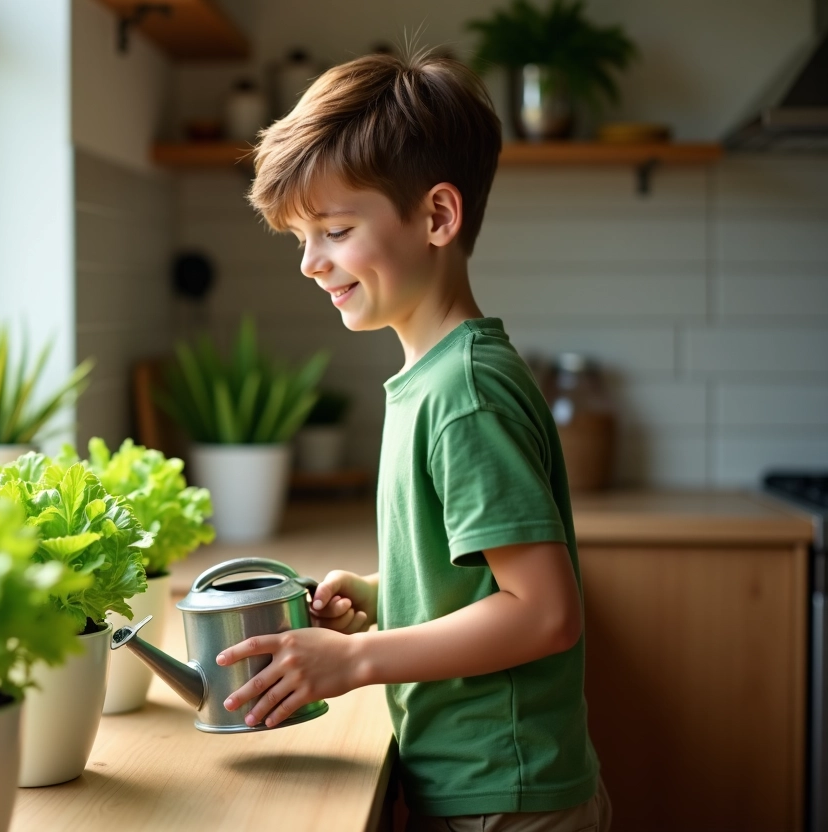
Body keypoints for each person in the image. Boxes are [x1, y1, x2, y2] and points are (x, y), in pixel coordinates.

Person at [215, 51, 610, 831]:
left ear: (436, 217)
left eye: (333, 230)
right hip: (480, 783)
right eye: (300, 237)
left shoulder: (463, 392)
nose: (309, 261)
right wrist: (381, 594)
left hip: (506, 794)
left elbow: (543, 613)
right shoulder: (434, 377)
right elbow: (478, 588)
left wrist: (358, 660)